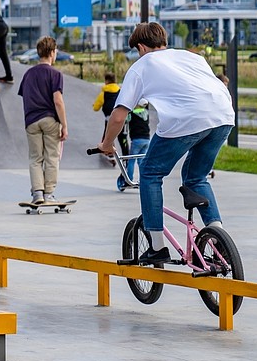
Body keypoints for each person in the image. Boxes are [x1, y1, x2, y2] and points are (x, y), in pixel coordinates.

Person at [99, 21, 235, 265]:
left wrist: (107, 144)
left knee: (150, 173)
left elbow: (119, 115)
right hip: (223, 116)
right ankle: (218, 238)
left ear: (141, 47)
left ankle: (157, 247)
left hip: (186, 120)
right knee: (196, 177)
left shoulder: (142, 66)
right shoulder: (192, 57)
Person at [17, 35, 67, 205]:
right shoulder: (55, 74)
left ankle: (37, 193)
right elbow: (58, 101)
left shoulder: (28, 74)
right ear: (52, 52)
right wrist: (64, 125)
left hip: (31, 120)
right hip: (50, 119)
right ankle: (49, 194)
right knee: (51, 157)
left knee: (35, 158)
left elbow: (25, 96)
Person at [116, 104, 151, 192]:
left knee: (131, 160)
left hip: (136, 139)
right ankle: (143, 180)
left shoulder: (132, 113)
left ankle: (129, 180)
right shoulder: (146, 112)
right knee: (141, 161)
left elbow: (125, 121)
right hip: (146, 139)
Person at [93, 71, 121, 165]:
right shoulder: (119, 91)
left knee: (108, 135)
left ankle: (110, 154)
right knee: (111, 134)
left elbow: (96, 107)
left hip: (109, 117)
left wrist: (94, 106)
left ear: (107, 81)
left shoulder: (103, 93)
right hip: (120, 117)